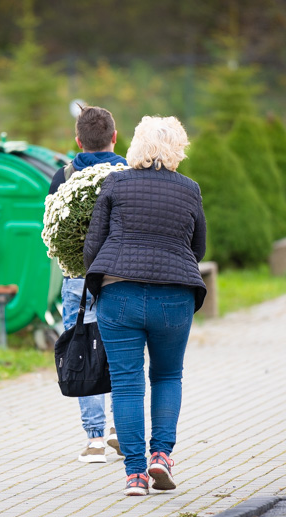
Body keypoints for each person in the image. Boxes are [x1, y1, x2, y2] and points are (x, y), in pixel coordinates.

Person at [83, 115, 206, 496]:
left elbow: (93, 244)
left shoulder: (115, 182)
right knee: (168, 376)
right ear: (177, 148)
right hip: (174, 297)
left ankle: (135, 474)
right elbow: (198, 247)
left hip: (120, 296)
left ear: (135, 145)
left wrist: (99, 278)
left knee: (126, 382)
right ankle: (161, 456)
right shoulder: (190, 189)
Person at [48, 105, 127, 464]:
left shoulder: (63, 176)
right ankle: (120, 429)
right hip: (121, 274)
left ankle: (95, 440)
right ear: (114, 137)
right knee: (122, 347)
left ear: (78, 141)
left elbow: (53, 227)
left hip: (77, 278)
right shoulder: (128, 173)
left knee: (82, 350)